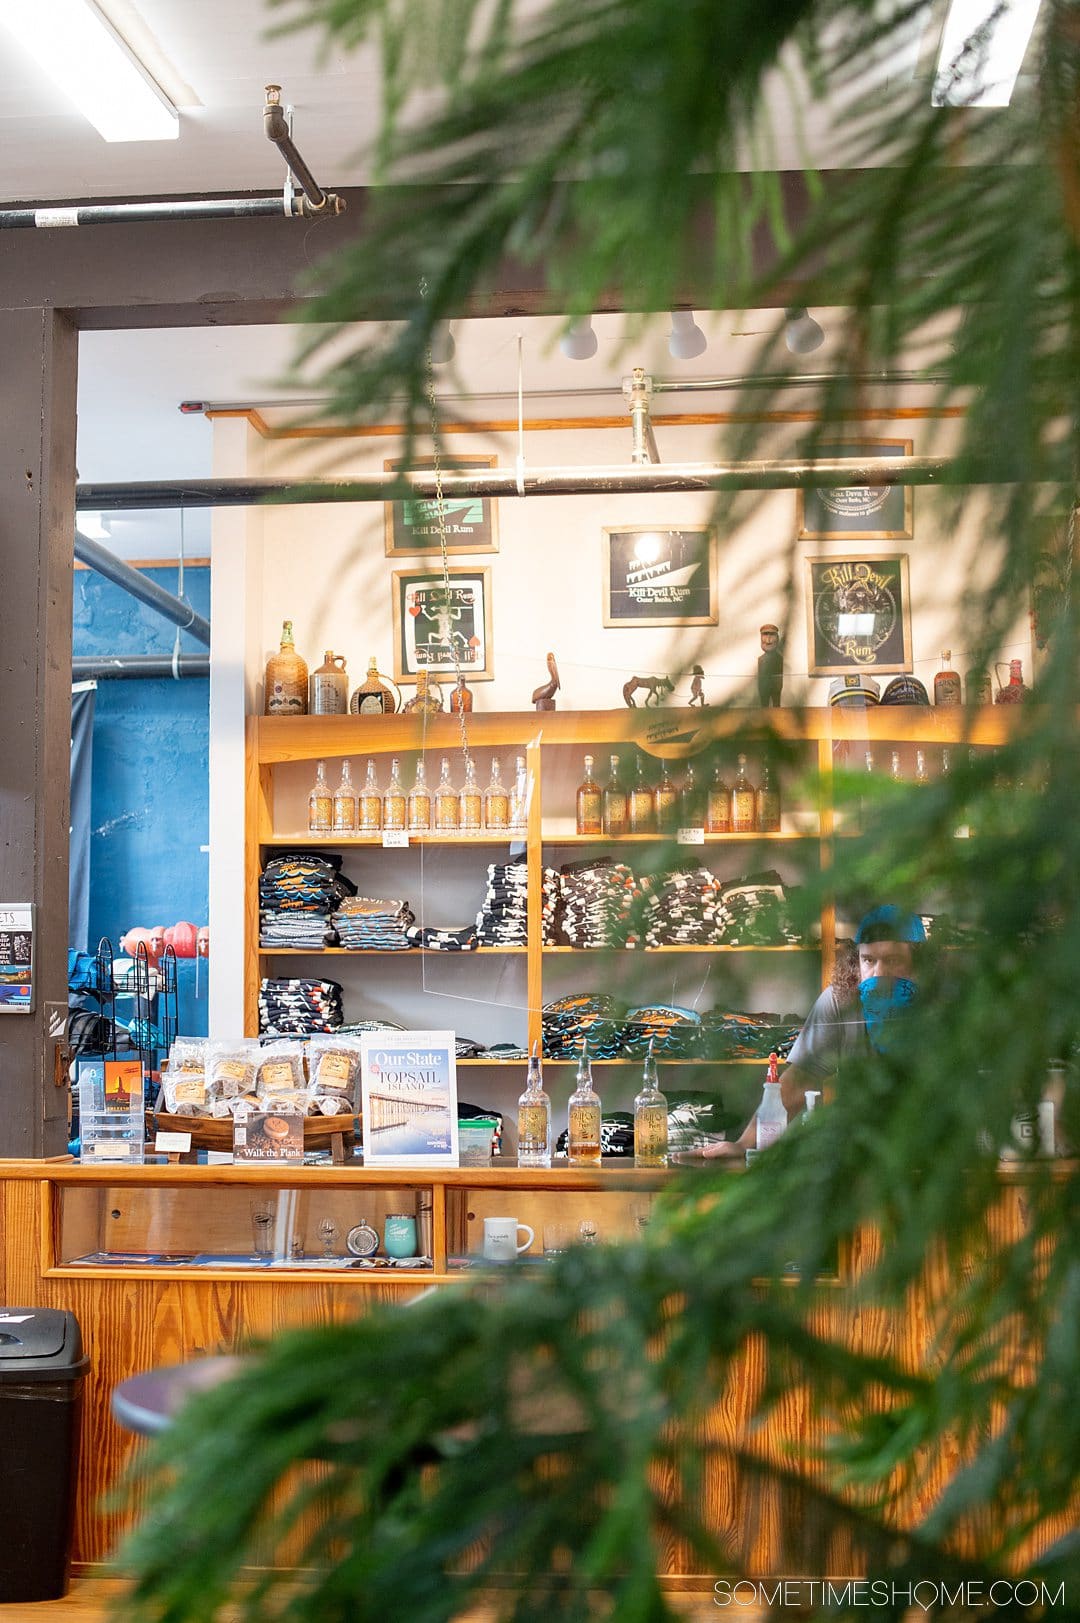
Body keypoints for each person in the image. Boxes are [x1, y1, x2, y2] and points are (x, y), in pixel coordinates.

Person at [701, 905, 925, 1158]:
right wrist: (743, 1145)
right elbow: (799, 1080)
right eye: (869, 960)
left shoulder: (948, 1003)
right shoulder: (840, 1001)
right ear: (856, 962)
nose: (879, 974)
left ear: (920, 964)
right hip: (862, 1151)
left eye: (893, 960)